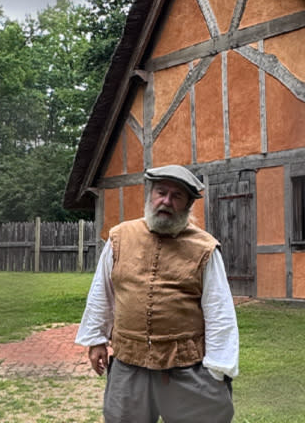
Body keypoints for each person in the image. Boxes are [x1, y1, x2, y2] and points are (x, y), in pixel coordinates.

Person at [76, 164, 239, 423]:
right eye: (161, 192)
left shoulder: (204, 248)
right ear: (150, 195)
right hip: (129, 365)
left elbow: (219, 312)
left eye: (177, 196)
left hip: (187, 368)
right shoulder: (119, 238)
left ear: (187, 205)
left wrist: (218, 369)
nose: (166, 201)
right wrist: (96, 339)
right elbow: (102, 293)